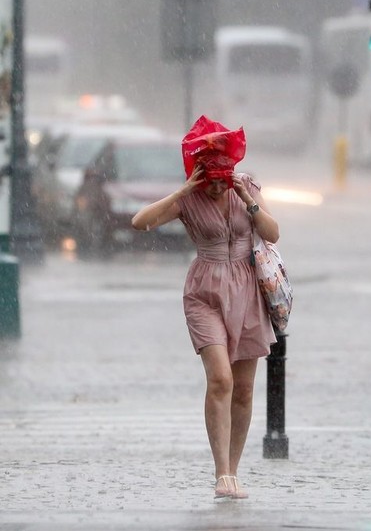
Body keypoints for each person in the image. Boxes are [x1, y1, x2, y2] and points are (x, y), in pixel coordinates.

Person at [131, 115, 279, 500]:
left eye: (222, 179)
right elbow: (139, 221)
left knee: (244, 389)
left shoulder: (245, 188)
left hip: (248, 290)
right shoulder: (189, 199)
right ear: (199, 173)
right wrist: (183, 192)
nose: (216, 187)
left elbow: (273, 232)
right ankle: (221, 473)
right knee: (221, 379)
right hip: (205, 292)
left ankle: (234, 469)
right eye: (210, 179)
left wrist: (247, 201)